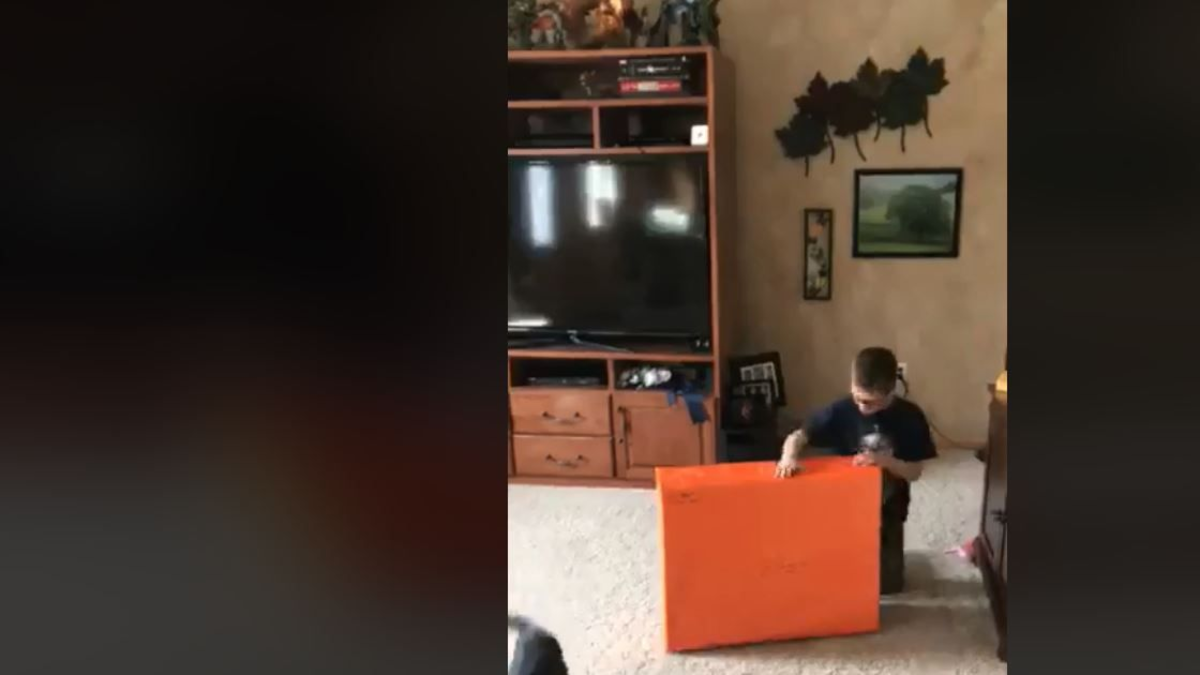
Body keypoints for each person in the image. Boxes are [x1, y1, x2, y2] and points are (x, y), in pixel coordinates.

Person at [774, 346, 936, 594]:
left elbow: (915, 472)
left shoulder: (910, 417)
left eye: (870, 402)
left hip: (889, 506)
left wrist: (885, 462)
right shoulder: (841, 410)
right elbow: (797, 436)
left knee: (888, 586)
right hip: (844, 503)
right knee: (839, 577)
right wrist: (788, 458)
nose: (861, 406)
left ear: (890, 391)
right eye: (857, 397)